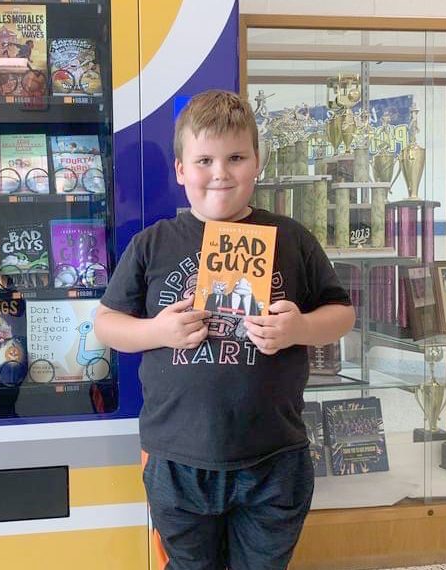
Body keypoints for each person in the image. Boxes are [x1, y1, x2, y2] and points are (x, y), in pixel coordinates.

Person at [94, 90, 355, 570]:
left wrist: (298, 327)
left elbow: (341, 314)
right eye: (204, 160)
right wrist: (159, 332)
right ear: (180, 170)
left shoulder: (292, 238)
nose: (220, 173)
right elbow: (107, 325)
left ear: (257, 163)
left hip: (274, 454)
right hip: (177, 456)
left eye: (236, 157)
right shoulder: (152, 243)